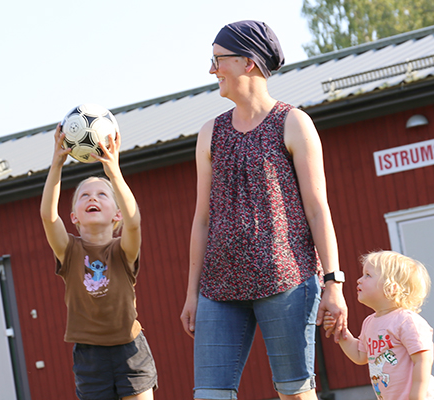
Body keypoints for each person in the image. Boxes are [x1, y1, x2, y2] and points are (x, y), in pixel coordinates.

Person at [179, 20, 348, 400]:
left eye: (217, 59)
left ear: (248, 63)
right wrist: (192, 293)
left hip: (286, 282)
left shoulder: (293, 123)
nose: (211, 69)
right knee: (209, 396)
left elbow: (318, 209)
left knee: (294, 393)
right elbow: (202, 219)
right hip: (218, 288)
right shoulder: (210, 133)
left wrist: (333, 283)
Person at [40, 125, 157, 400]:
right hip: (90, 357)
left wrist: (113, 172)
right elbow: (48, 216)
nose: (92, 197)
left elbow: (135, 221)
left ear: (116, 214)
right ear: (74, 217)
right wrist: (57, 163)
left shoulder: (123, 250)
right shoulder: (68, 250)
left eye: (102, 194)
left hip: (131, 349)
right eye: (84, 196)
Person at [323, 251, 434, 400]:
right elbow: (360, 355)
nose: (359, 280)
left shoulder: (406, 321)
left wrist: (417, 394)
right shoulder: (370, 322)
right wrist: (341, 331)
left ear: (391, 288)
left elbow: (423, 359)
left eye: (368, 275)